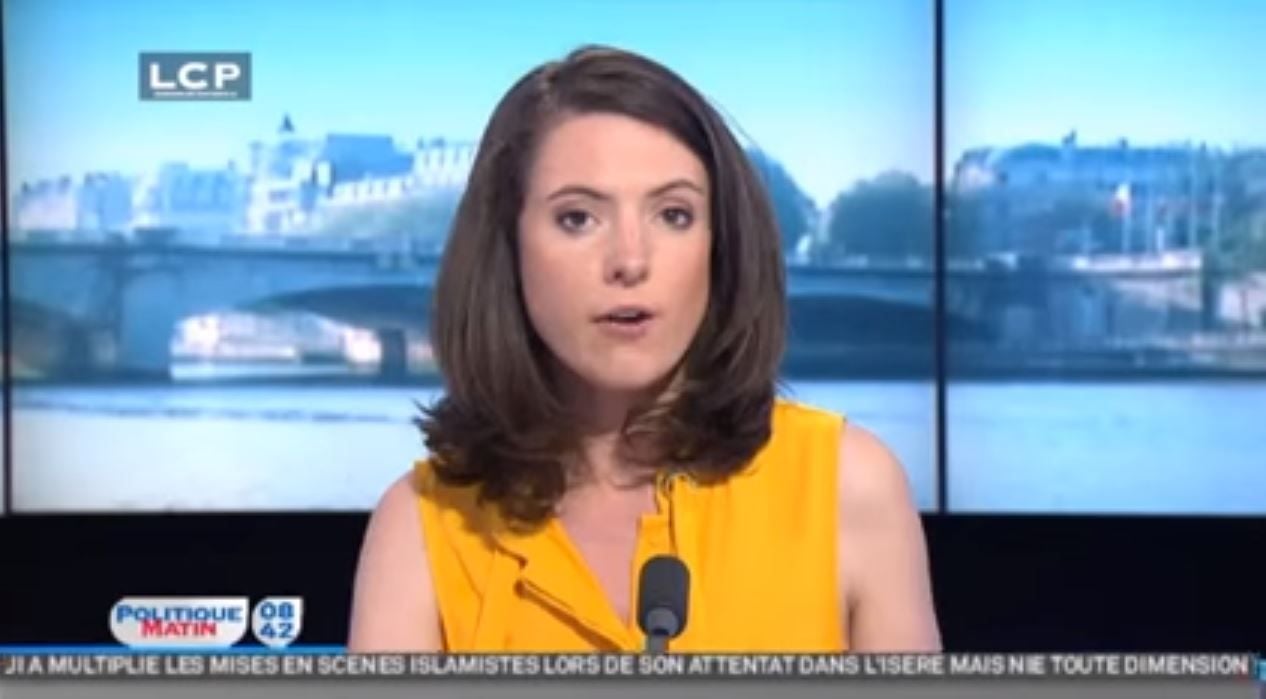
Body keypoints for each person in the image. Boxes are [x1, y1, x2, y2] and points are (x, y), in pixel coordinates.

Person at [348, 45, 940, 652]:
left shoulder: (846, 487)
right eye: (578, 218)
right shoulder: (421, 529)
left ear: (720, 245)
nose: (631, 261)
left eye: (674, 215)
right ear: (508, 247)